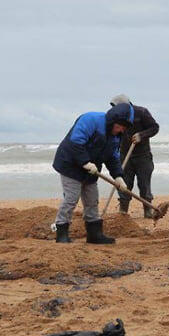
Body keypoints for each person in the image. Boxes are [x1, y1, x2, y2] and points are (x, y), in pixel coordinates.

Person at [51, 103, 132, 244]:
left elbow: (113, 157)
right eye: (119, 126)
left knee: (92, 200)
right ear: (112, 121)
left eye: (123, 128)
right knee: (71, 198)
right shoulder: (91, 120)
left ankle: (94, 235)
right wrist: (85, 162)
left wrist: (118, 176)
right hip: (70, 164)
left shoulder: (117, 136)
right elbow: (75, 143)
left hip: (92, 169)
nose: (120, 130)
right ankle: (61, 233)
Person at [110, 94, 160, 218]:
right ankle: (123, 210)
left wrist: (141, 135)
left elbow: (155, 128)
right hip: (124, 154)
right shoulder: (115, 116)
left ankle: (147, 210)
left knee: (144, 184)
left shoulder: (141, 112)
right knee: (124, 184)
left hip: (143, 155)